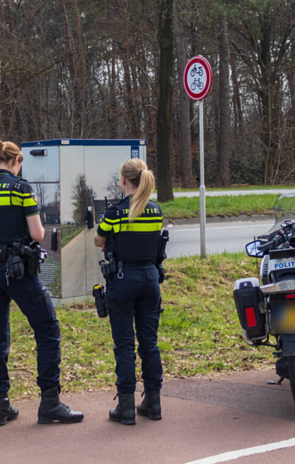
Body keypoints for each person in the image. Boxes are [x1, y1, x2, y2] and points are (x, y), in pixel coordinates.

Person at [0, 140, 83, 426]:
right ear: (17, 160)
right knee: (47, 328)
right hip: (17, 272)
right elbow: (38, 233)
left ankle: (1, 404)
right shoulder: (21, 189)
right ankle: (50, 403)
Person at [94, 158, 165, 426]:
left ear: (123, 180)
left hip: (122, 282)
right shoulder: (156, 211)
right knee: (150, 343)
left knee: (124, 346)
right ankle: (153, 403)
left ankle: (126, 407)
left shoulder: (114, 213)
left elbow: (98, 240)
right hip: (150, 279)